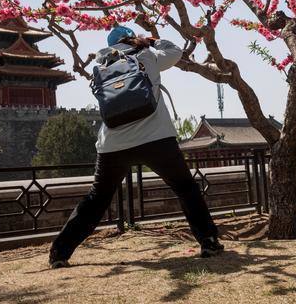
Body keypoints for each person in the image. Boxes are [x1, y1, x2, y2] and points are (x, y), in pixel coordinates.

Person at [49, 26, 223, 268]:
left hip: (113, 144)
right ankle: (209, 241)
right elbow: (174, 52)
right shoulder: (145, 55)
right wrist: (152, 41)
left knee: (96, 199)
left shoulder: (101, 65)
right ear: (132, 38)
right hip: (156, 138)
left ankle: (60, 253)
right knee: (185, 188)